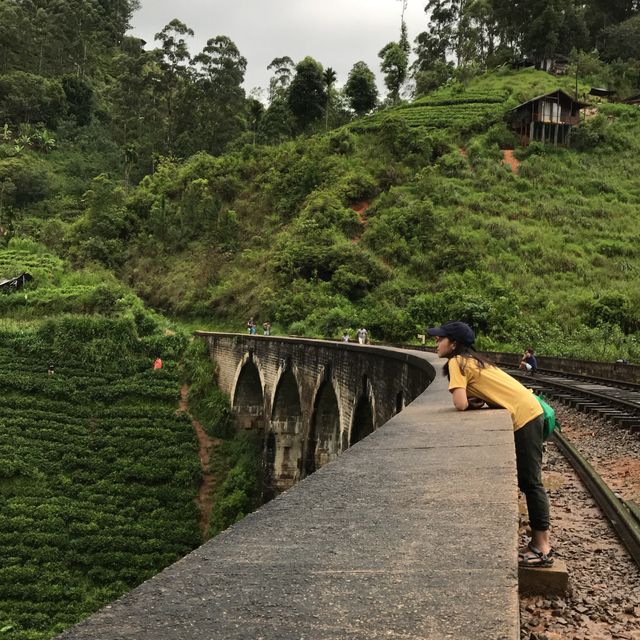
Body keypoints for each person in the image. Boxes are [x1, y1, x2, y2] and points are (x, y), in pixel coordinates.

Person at [427, 321, 553, 568]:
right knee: (530, 481)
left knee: (531, 482)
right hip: (530, 410)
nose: (435, 342)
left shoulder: (457, 362)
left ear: (453, 344)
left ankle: (543, 547)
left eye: (439, 338)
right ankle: (539, 543)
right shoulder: (474, 360)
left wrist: (471, 402)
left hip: (525, 416)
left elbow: (460, 404)